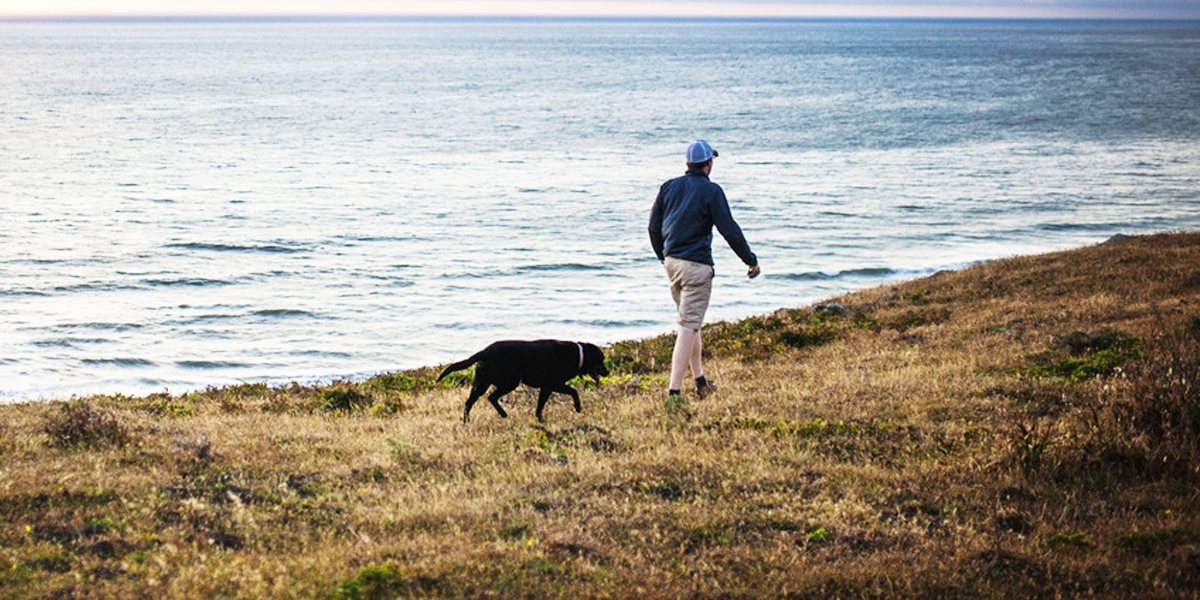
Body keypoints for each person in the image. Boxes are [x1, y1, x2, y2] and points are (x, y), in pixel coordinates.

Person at [648, 139, 760, 402]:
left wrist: (663, 257)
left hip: (673, 263)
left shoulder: (669, 187)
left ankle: (700, 381)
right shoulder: (712, 191)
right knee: (688, 326)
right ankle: (674, 393)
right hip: (696, 267)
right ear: (708, 164)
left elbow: (653, 228)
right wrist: (750, 260)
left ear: (689, 163)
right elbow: (729, 229)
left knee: (691, 323)